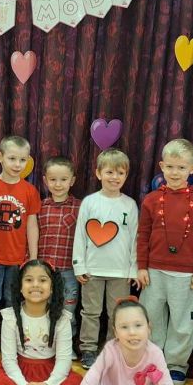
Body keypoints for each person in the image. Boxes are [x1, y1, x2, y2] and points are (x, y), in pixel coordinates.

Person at [136, 138, 193, 384]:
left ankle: (176, 365)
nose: (175, 172)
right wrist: (141, 266)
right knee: (151, 318)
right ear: (161, 166)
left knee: (182, 322)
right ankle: (151, 362)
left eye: (181, 167)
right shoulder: (151, 200)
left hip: (186, 275)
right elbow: (142, 235)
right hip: (153, 272)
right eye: (170, 167)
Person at [0, 260, 83, 385]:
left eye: (42, 280)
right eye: (29, 280)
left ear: (52, 287)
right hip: (19, 371)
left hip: (50, 371)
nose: (35, 285)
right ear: (20, 287)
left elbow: (64, 361)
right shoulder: (10, 317)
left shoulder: (62, 319)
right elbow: (9, 360)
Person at [73, 148, 139, 369]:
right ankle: (88, 349)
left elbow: (135, 239)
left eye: (120, 173)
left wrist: (133, 268)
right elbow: (80, 236)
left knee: (116, 313)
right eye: (110, 172)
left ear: (126, 175)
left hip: (120, 272)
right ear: (98, 173)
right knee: (90, 312)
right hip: (92, 270)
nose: (115, 177)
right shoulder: (90, 202)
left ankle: (113, 349)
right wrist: (79, 265)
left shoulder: (130, 204)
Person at [0, 135, 41, 358]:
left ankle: (9, 338)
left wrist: (33, 257)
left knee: (12, 300)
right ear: (0, 157)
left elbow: (32, 224)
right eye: (12, 158)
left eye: (22, 160)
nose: (17, 164)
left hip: (18, 259)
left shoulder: (30, 191)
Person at [37, 156, 80, 330]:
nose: (58, 184)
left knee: (68, 307)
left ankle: (68, 337)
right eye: (53, 179)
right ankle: (44, 336)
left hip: (69, 268)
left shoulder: (80, 207)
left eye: (63, 179)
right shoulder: (40, 207)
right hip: (44, 269)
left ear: (72, 181)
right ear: (45, 180)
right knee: (43, 304)